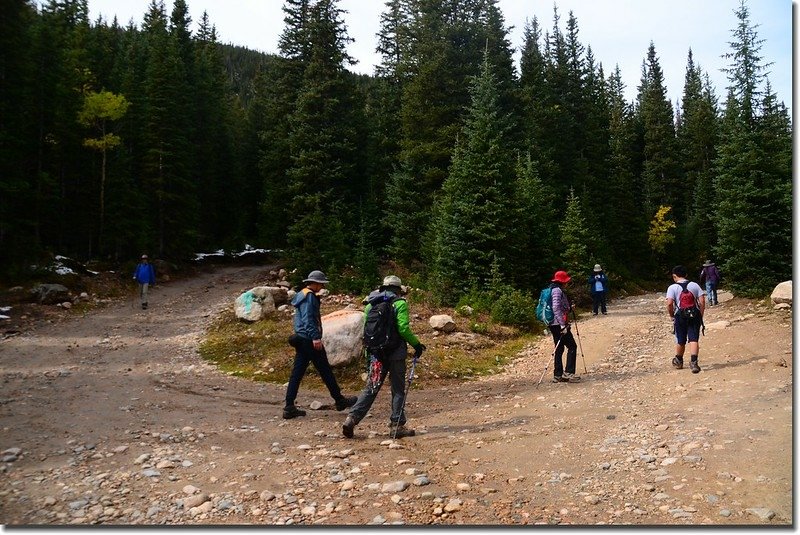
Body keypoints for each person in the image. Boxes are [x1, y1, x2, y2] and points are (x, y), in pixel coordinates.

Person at [342, 275, 425, 439]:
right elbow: (403, 329)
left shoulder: (370, 305)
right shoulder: (400, 303)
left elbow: (367, 330)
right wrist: (416, 344)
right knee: (398, 390)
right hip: (396, 354)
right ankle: (397, 425)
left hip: (375, 355)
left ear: (383, 288)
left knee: (371, 388)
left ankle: (351, 418)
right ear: (397, 289)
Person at [284, 270, 357, 419]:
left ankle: (289, 406)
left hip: (302, 338)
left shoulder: (302, 295)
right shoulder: (309, 297)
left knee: (297, 373)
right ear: (315, 283)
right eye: (321, 284)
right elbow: (309, 319)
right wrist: (315, 338)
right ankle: (339, 400)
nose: (322, 286)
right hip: (309, 340)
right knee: (325, 370)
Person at [666, 265, 706, 374]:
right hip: (694, 314)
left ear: (674, 276)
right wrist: (700, 315)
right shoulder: (694, 285)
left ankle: (679, 360)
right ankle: (694, 362)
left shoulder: (672, 288)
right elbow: (702, 301)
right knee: (693, 339)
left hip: (680, 315)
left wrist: (671, 316)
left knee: (681, 339)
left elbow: (669, 303)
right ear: (686, 275)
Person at [548, 270, 580, 383]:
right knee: (572, 346)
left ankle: (558, 375)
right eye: (566, 281)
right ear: (562, 281)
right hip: (558, 324)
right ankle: (568, 373)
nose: (567, 283)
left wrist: (569, 308)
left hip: (554, 324)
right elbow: (556, 308)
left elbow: (560, 307)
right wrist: (562, 325)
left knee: (559, 348)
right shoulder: (557, 291)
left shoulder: (553, 289)